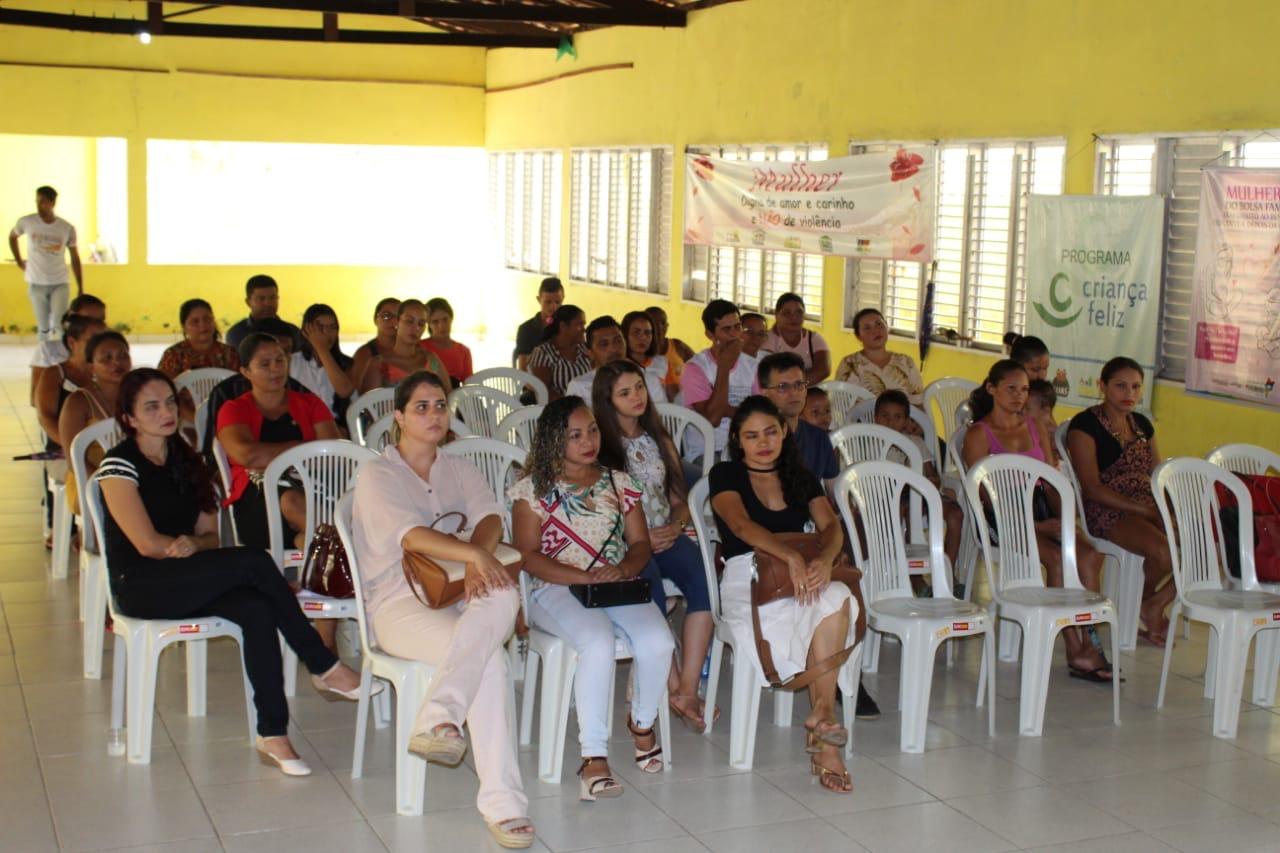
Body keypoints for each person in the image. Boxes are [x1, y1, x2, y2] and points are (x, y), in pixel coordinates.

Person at [96, 368, 368, 778]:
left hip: (187, 574)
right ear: (130, 418)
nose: (166, 412)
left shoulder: (189, 460)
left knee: (257, 606)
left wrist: (193, 545)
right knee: (255, 563)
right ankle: (323, 664)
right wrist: (180, 546)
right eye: (151, 407)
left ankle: (272, 733)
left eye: (170, 402)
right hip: (140, 583)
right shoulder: (119, 465)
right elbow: (146, 544)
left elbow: (209, 536)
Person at [352, 370, 533, 847]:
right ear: (399, 417)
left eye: (440, 405)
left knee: (503, 593)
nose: (434, 415)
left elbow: (490, 516)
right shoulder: (379, 473)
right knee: (490, 656)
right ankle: (503, 805)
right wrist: (475, 555)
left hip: (458, 594)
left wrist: (479, 555)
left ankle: (440, 715)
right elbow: (411, 537)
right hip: (398, 605)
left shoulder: (459, 466)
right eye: (422, 407)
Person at [509, 397, 676, 801]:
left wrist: (623, 569)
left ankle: (641, 722)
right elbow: (527, 556)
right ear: (553, 440)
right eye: (575, 435)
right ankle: (594, 755)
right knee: (597, 643)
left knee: (661, 641)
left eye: (593, 431)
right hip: (557, 587)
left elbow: (639, 545)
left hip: (614, 584)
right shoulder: (532, 491)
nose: (589, 441)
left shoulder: (620, 483)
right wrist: (582, 576)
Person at [710, 396, 856, 793]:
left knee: (837, 594)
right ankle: (824, 731)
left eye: (771, 432)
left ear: (784, 431)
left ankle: (823, 719)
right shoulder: (725, 474)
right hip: (749, 573)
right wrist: (789, 553)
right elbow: (740, 526)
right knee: (816, 605)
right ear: (738, 441)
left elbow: (831, 526)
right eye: (752, 435)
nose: (763, 442)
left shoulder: (799, 474)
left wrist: (825, 559)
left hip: (802, 569)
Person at [962, 360, 1112, 681]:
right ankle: (1075, 648)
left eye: (1025, 390)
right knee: (1056, 558)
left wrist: (1065, 518)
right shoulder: (979, 433)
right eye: (1011, 389)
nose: (1019, 397)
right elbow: (982, 497)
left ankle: (1091, 638)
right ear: (992, 389)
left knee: (1088, 554)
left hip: (1039, 505)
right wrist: (1034, 527)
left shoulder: (1035, 427)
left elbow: (1051, 480)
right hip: (1001, 514)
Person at [593, 360, 717, 731]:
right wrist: (644, 535)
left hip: (666, 533)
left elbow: (680, 497)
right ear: (607, 400)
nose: (636, 398)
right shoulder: (599, 445)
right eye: (625, 392)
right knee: (652, 595)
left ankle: (689, 688)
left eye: (640, 388)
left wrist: (676, 526)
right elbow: (600, 508)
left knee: (704, 585)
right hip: (627, 542)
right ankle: (677, 687)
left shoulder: (659, 438)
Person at [759, 352, 883, 720]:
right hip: (772, 536)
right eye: (783, 387)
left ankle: (846, 676)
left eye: (800, 385)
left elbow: (832, 495)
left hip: (812, 532)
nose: (794, 393)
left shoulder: (817, 438)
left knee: (848, 566)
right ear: (765, 392)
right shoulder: (755, 435)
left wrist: (841, 535)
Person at [1067, 357, 1176, 646]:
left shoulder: (1141, 424)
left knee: (1205, 547)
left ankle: (1149, 602)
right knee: (1165, 554)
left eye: (1136, 387)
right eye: (1120, 386)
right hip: (1107, 509)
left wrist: (1169, 509)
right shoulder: (1085, 425)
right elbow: (1091, 488)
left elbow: (1156, 473)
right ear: (1102, 386)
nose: (1129, 394)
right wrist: (1146, 511)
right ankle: (1144, 603)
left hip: (1145, 504)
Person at [216, 333, 339, 553]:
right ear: (245, 372)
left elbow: (332, 452)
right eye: (265, 364)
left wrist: (277, 455)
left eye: (280, 360)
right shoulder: (234, 410)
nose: (276, 368)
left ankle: (319, 548)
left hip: (314, 491)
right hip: (257, 504)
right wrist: (306, 449)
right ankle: (348, 547)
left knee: (308, 533)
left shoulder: (309, 403)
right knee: (291, 500)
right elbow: (248, 456)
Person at [874, 390, 964, 573]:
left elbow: (933, 477)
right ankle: (908, 576)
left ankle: (947, 572)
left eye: (897, 417)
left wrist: (922, 484)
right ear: (876, 418)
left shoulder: (916, 442)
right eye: (885, 416)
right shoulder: (872, 444)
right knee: (906, 512)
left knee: (956, 513)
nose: (891, 421)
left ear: (906, 421)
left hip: (920, 492)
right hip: (890, 497)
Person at [680, 300, 759, 468]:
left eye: (737, 327)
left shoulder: (752, 366)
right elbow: (713, 419)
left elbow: (759, 413)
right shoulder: (695, 368)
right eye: (726, 329)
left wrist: (726, 409)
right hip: (708, 451)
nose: (734, 335)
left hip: (746, 448)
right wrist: (724, 366)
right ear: (710, 334)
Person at [60, 331, 131, 510]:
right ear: (91, 367)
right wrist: (108, 485)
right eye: (106, 358)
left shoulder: (138, 396)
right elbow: (74, 460)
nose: (117, 362)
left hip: (134, 477)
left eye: (123, 355)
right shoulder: (78, 402)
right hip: (88, 479)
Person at [9, 186, 82, 341]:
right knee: (43, 327)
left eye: (43, 202)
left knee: (59, 325)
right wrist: (19, 261)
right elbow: (12, 237)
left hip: (59, 283)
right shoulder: (27, 222)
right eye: (37, 201)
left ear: (52, 203)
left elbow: (75, 257)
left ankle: (61, 359)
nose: (39, 205)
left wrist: (81, 286)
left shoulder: (66, 228)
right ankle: (44, 361)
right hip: (36, 283)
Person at [357, 299, 451, 395]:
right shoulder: (379, 364)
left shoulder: (432, 361)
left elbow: (450, 398)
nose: (416, 328)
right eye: (409, 321)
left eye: (421, 324)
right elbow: (368, 405)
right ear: (397, 321)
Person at [566, 317, 665, 406]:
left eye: (618, 341)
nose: (613, 349)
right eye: (604, 344)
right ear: (590, 353)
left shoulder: (649, 381)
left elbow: (661, 422)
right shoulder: (579, 387)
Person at [835, 308, 924, 405]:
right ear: (858, 336)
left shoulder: (906, 362)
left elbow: (918, 402)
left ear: (887, 327)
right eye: (867, 328)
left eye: (879, 324)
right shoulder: (849, 364)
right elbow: (840, 405)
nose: (876, 330)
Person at [30, 294, 104, 405]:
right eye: (87, 319)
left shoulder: (109, 353)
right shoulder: (48, 350)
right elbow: (35, 401)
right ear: (72, 317)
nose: (95, 324)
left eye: (100, 320)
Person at [290, 303, 356, 420]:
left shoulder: (346, 363)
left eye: (332, 327)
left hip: (336, 427)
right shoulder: (292, 361)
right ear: (306, 330)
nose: (327, 333)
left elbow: (345, 391)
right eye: (320, 327)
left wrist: (322, 350)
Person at [158, 298, 240, 378]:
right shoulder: (173, 355)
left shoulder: (230, 354)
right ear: (184, 327)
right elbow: (163, 387)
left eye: (207, 319)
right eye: (195, 321)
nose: (202, 325)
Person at [527, 305, 591, 401]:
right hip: (560, 410)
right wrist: (575, 407)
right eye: (579, 325)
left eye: (583, 324)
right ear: (563, 326)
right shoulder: (543, 353)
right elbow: (544, 392)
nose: (583, 329)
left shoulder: (585, 349)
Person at [764, 294, 831, 385]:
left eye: (799, 312)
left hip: (809, 394)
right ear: (776, 315)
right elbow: (768, 373)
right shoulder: (767, 338)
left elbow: (823, 370)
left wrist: (796, 387)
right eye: (787, 313)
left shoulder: (814, 339)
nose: (794, 317)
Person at [225, 275, 301, 350]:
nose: (268, 303)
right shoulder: (236, 334)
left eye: (272, 298)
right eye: (261, 299)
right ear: (248, 302)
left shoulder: (293, 331)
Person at [622, 310, 677, 401]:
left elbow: (674, 398)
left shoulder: (663, 363)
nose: (643, 337)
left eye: (647, 333)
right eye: (636, 332)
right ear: (624, 334)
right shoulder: (619, 365)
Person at [421, 297, 474, 387]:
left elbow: (469, 384)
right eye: (435, 322)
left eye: (445, 319)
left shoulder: (463, 351)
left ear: (451, 319)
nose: (441, 326)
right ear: (428, 324)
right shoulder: (420, 347)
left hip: (457, 398)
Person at [514, 277, 565, 371]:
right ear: (539, 299)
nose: (554, 307)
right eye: (548, 302)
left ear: (563, 299)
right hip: (533, 382)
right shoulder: (526, 330)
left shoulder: (567, 328)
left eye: (558, 302)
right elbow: (523, 369)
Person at [349, 297, 400, 387]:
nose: (394, 321)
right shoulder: (364, 354)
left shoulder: (413, 350)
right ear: (376, 320)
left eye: (399, 317)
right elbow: (356, 392)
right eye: (386, 316)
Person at [645, 306, 693, 390]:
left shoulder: (678, 345)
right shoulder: (640, 351)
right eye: (654, 323)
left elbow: (700, 365)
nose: (659, 327)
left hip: (682, 400)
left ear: (667, 325)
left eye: (663, 323)